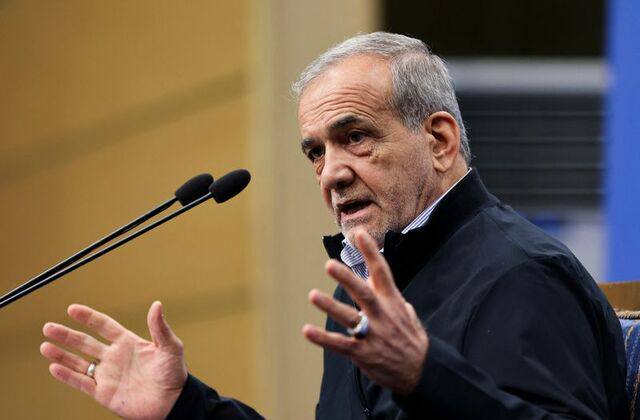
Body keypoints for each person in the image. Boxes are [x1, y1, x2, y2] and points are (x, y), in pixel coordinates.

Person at [39, 32, 628, 419]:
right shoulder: (363, 286)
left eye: (356, 137)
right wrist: (184, 407)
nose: (332, 173)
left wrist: (426, 376)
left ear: (439, 140)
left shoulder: (521, 274)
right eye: (316, 152)